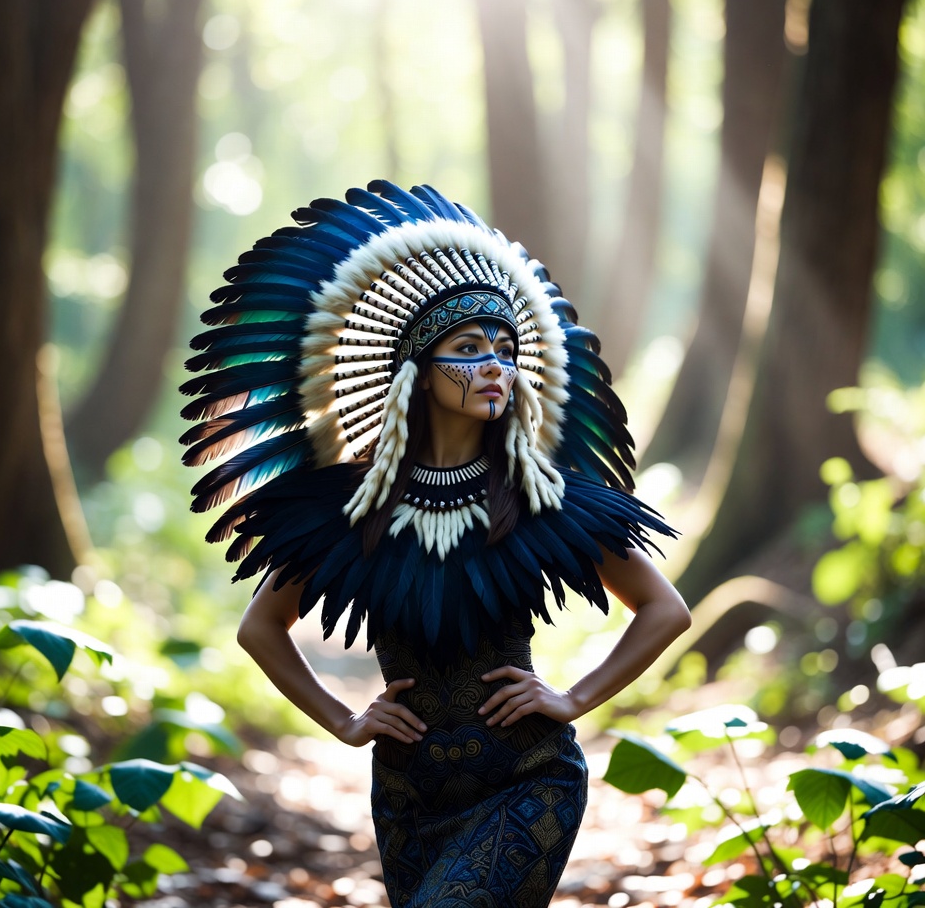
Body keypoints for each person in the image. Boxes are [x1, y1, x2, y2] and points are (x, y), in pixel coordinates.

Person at [181, 181, 691, 907]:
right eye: (470, 348)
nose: (496, 366)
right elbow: (260, 627)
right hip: (405, 800)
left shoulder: (542, 495)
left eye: (507, 350)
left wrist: (574, 697)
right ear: (416, 371)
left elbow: (665, 609)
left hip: (528, 784)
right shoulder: (352, 506)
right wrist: (344, 719)